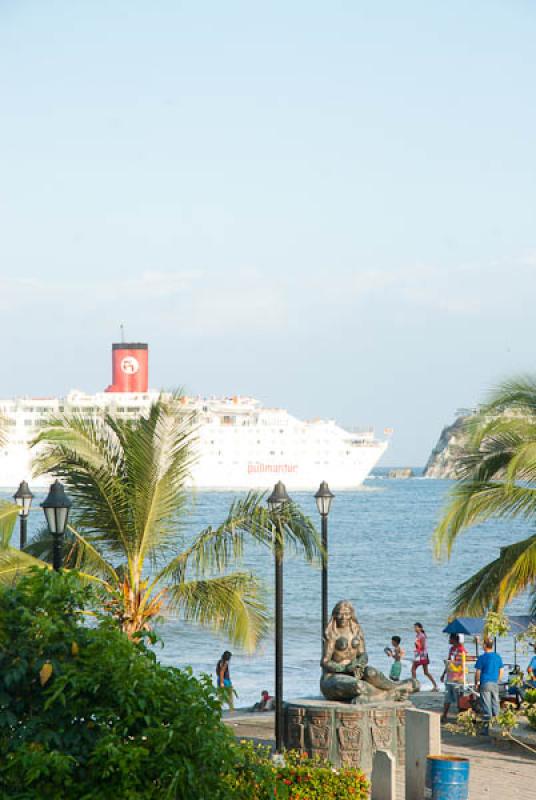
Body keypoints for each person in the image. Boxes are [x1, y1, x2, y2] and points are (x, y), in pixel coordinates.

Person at [475, 638, 504, 735]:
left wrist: (477, 682)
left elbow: (478, 672)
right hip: (495, 683)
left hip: (485, 683)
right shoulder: (498, 656)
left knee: (486, 705)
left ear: (484, 646)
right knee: (496, 704)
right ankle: (497, 726)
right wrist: (498, 680)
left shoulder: (482, 657)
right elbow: (501, 670)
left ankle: (487, 729)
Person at [440, 633, 467, 722]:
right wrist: (444, 673)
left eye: (450, 638)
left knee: (459, 698)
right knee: (447, 696)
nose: (449, 640)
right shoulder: (452, 649)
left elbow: (463, 664)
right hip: (450, 676)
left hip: (458, 677)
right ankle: (444, 715)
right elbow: (449, 662)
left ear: (454, 639)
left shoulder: (462, 650)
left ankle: (460, 717)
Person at [411, 622, 439, 691]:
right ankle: (435, 686)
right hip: (420, 655)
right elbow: (418, 646)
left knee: (414, 670)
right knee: (424, 672)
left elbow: (423, 646)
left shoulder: (422, 635)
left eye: (416, 627)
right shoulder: (417, 635)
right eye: (414, 627)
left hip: (422, 655)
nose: (415, 628)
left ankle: (415, 686)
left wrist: (417, 650)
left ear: (420, 628)